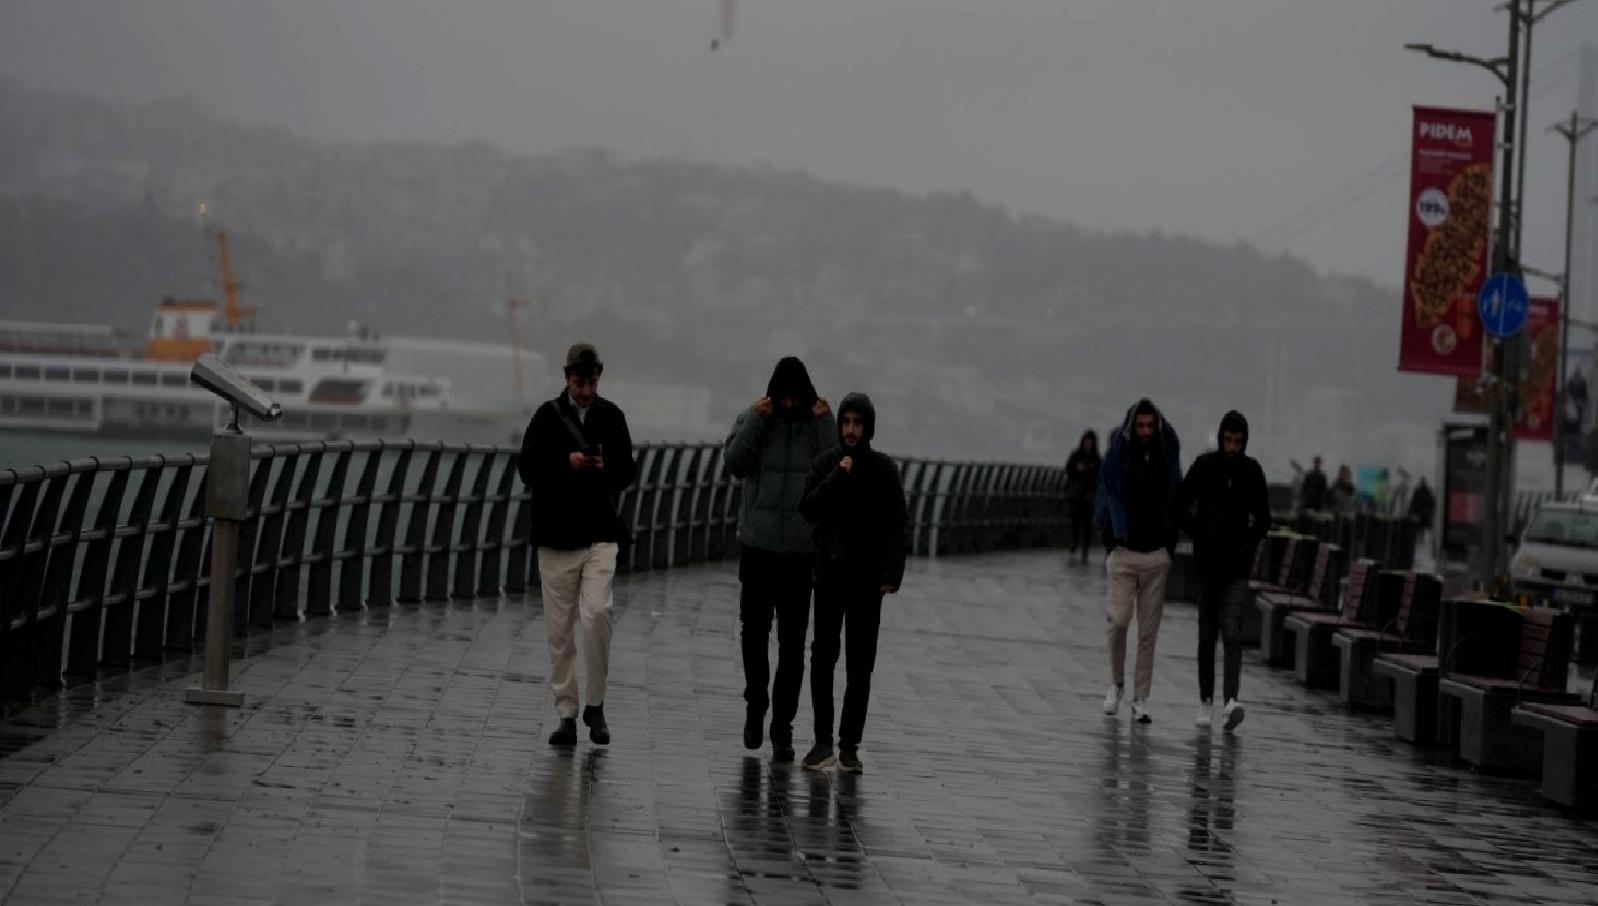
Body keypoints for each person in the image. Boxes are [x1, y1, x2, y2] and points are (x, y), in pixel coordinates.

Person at [518, 343, 637, 747]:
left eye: (592, 382)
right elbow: (527, 468)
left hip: (600, 533)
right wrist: (566, 463)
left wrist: (606, 467)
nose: (586, 390)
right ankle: (567, 713)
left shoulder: (612, 416)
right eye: (580, 381)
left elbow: (627, 472)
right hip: (555, 537)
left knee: (599, 610)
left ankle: (596, 705)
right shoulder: (547, 417)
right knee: (559, 632)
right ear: (567, 377)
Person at [723, 357, 836, 762]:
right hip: (757, 548)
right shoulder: (756, 418)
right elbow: (734, 463)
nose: (789, 404)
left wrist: (826, 423)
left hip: (799, 554)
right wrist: (756, 419)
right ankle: (756, 706)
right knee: (753, 635)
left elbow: (838, 471)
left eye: (796, 397)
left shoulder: (817, 427)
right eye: (783, 396)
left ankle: (781, 726)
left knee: (791, 647)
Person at [797, 393, 908, 773]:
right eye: (845, 422)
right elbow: (809, 507)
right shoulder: (826, 464)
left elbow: (898, 524)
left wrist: (891, 574)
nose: (850, 430)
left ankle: (849, 746)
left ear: (868, 427)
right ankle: (822, 741)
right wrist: (837, 476)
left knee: (861, 665)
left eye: (858, 423)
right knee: (822, 658)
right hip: (829, 574)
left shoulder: (884, 470)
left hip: (866, 581)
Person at [1174, 411, 1270, 731]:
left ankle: (1230, 701)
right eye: (1228, 440)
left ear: (1244, 441)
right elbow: (1178, 504)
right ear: (1220, 438)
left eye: (1238, 441)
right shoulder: (1204, 467)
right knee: (1206, 633)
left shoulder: (1252, 471)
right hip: (1208, 565)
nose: (1232, 447)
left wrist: (1247, 542)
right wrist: (1197, 533)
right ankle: (1206, 700)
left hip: (1237, 567)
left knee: (1232, 631)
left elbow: (1264, 519)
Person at [1095, 398, 1182, 724]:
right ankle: (1115, 685)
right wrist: (1110, 540)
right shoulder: (1119, 456)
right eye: (1140, 425)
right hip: (1123, 552)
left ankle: (1141, 697)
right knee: (1117, 622)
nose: (1145, 431)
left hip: (1156, 554)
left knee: (1148, 632)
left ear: (1157, 426)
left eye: (1150, 425)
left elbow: (1177, 494)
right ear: (1133, 426)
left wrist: (1168, 548)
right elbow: (1105, 494)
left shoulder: (1167, 455)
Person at [1064, 431, 1102, 563]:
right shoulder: (1076, 455)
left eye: (1090, 442)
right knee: (1075, 520)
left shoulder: (1096, 458)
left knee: (1087, 523)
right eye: (1086, 441)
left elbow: (1100, 474)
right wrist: (1076, 468)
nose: (1088, 444)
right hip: (1076, 493)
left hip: (1089, 494)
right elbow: (1068, 468)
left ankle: (1085, 547)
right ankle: (1074, 542)